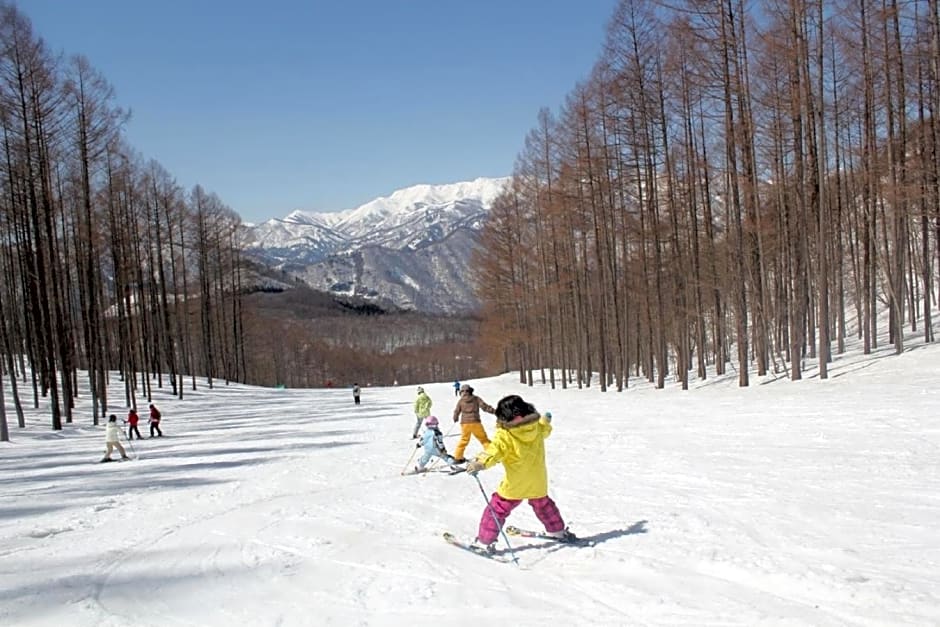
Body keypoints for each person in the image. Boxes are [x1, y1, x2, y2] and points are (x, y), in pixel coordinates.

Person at [465, 395, 572, 553]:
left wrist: (480, 463)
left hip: (515, 484)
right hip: (538, 481)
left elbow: (495, 451)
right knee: (543, 505)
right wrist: (545, 421)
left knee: (497, 509)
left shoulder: (506, 435)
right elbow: (545, 430)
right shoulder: (536, 427)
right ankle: (557, 531)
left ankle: (484, 542)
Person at [451, 383, 494, 463]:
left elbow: (457, 411)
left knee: (464, 440)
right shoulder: (476, 399)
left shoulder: (461, 401)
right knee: (483, 439)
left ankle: (458, 457)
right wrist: (494, 411)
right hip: (475, 422)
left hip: (465, 424)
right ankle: (492, 453)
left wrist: (455, 417)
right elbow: (484, 407)